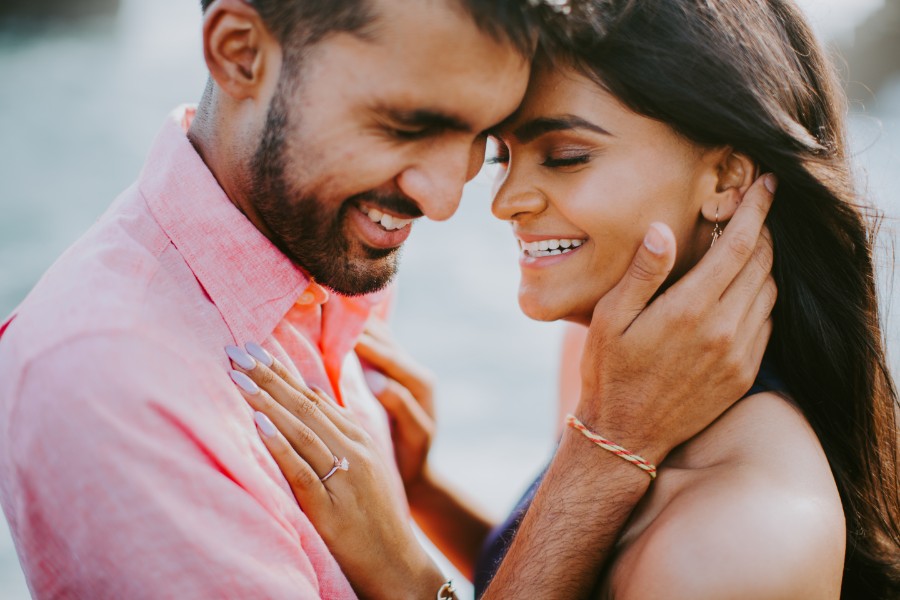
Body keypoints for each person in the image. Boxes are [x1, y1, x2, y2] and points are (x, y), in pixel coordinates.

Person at [0, 0, 774, 598]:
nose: (445, 200)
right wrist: (610, 445)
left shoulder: (314, 256)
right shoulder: (109, 384)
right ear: (239, 54)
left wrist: (420, 501)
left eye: (479, 138)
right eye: (407, 126)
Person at [234, 0, 900, 598]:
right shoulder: (607, 353)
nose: (503, 201)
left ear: (725, 177)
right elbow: (579, 568)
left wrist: (406, 574)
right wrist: (425, 494)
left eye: (566, 155)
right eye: (503, 157)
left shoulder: (738, 546)